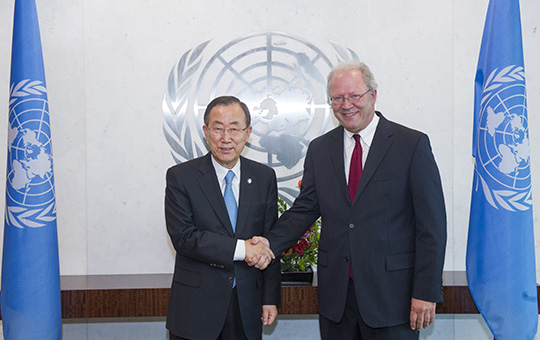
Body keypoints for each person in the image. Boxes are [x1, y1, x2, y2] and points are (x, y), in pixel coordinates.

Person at [249, 61, 447, 339]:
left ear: (373, 95)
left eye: (354, 96)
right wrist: (269, 243)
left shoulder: (410, 145)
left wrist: (426, 291)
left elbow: (432, 227)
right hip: (337, 298)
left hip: (392, 296)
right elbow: (305, 209)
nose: (346, 105)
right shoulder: (320, 149)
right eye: (337, 98)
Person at [165, 96, 281, 340]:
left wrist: (270, 298)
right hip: (196, 308)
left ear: (247, 133)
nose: (226, 138)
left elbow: (269, 240)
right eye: (218, 128)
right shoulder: (181, 177)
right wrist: (242, 249)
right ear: (206, 132)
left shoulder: (264, 177)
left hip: (247, 304)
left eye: (234, 129)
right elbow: (184, 237)